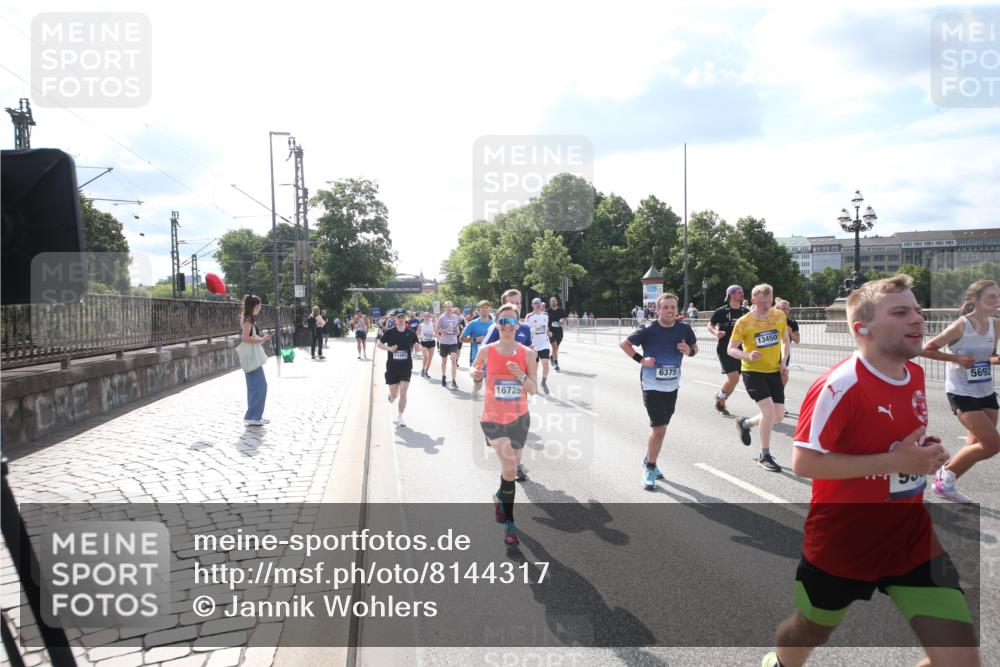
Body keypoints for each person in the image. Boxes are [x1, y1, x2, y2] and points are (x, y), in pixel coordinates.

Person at [761, 274, 978, 667]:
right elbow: (804, 462)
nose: (918, 318)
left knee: (960, 658)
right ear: (864, 329)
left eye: (917, 309)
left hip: (910, 537)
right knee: (809, 631)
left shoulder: (913, 373)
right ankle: (778, 661)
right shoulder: (838, 385)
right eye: (901, 312)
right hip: (843, 541)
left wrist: (923, 453)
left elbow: (896, 441)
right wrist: (895, 462)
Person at [922, 279, 1000, 504]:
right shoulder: (961, 325)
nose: (997, 301)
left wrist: (995, 359)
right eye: (992, 297)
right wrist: (956, 358)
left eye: (998, 296)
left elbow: (989, 355)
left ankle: (947, 483)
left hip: (985, 390)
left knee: (975, 443)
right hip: (961, 391)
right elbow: (927, 349)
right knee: (992, 444)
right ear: (975, 300)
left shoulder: (995, 325)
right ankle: (945, 475)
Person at [471, 303, 538, 546]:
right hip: (492, 418)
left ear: (518, 325)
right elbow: (475, 377)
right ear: (497, 325)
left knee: (512, 468)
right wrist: (475, 376)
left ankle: (500, 495)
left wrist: (520, 375)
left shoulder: (528, 354)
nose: (507, 326)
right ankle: (510, 524)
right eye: (502, 322)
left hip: (519, 418)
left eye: (511, 322)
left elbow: (534, 389)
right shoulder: (487, 350)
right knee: (510, 467)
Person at [619, 292, 698, 489]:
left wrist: (689, 351)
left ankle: (649, 459)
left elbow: (695, 348)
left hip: (672, 385)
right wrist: (641, 360)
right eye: (665, 307)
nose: (670, 310)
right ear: (658, 309)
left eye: (673, 307)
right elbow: (624, 344)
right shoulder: (648, 329)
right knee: (659, 428)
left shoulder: (684, 329)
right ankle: (650, 467)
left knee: (663, 426)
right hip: (651, 384)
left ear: (677, 309)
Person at [729, 283, 790, 472]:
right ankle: (765, 455)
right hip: (752, 372)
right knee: (768, 411)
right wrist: (747, 355)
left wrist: (783, 362)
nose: (766, 305)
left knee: (778, 416)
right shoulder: (744, 322)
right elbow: (730, 349)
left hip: (773, 371)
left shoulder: (779, 316)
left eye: (769, 301)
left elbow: (785, 340)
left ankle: (745, 423)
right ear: (753, 300)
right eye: (763, 302)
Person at [708, 285, 750, 416]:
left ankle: (720, 399)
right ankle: (720, 398)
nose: (742, 294)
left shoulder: (745, 311)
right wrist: (716, 332)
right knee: (734, 378)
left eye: (742, 292)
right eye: (739, 292)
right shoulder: (722, 311)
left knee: (735, 380)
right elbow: (710, 324)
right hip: (725, 349)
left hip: (740, 349)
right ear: (731, 295)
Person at [376, 309, 419, 427]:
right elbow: (379, 344)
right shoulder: (390, 332)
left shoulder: (411, 333)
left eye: (402, 317)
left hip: (406, 366)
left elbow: (417, 344)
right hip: (392, 367)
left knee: (403, 392)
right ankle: (391, 397)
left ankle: (400, 417)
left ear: (405, 318)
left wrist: (418, 346)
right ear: (395, 319)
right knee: (394, 394)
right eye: (398, 317)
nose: (400, 319)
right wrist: (389, 349)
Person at [240, 294, 273, 427]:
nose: (260, 309)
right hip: (252, 357)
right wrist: (262, 339)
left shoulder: (246, 318)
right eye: (259, 306)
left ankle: (254, 416)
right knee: (261, 386)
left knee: (253, 387)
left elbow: (246, 335)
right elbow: (245, 338)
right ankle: (253, 416)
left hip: (249, 357)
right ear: (256, 306)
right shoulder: (249, 320)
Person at [461, 300, 494, 398]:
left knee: (490, 385)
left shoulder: (494, 325)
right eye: (482, 308)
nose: (484, 310)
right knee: (478, 385)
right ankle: (475, 392)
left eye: (486, 308)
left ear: (489, 310)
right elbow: (461, 339)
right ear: (478, 310)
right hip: (477, 358)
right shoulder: (473, 324)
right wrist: (475, 339)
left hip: (491, 359)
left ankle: (489, 409)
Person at [526, 298, 552, 394]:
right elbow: (526, 330)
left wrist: (548, 332)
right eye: (536, 304)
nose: (538, 305)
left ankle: (544, 383)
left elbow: (546, 327)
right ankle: (534, 383)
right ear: (532, 305)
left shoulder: (545, 315)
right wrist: (534, 329)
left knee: (546, 364)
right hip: (534, 345)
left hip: (544, 343)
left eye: (539, 304)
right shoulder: (529, 316)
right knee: (535, 366)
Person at [436, 302, 462, 388]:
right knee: (444, 361)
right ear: (445, 308)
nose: (449, 308)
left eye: (450, 307)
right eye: (447, 307)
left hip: (453, 342)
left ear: (452, 307)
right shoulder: (441, 318)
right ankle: (443, 376)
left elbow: (457, 329)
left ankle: (453, 380)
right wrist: (446, 330)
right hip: (444, 342)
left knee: (454, 360)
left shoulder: (456, 317)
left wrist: (457, 331)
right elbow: (437, 330)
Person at [775, 298, 800, 386]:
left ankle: (779, 395)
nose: (786, 311)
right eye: (783, 308)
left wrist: (790, 332)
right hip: (771, 353)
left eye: (787, 309)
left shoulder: (792, 323)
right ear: (777, 309)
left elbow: (797, 340)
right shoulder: (771, 322)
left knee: (783, 376)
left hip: (784, 354)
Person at [547, 296, 567, 372]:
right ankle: (556, 364)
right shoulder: (547, 311)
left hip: (559, 332)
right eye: (552, 301)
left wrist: (562, 320)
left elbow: (564, 318)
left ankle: (552, 357)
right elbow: (544, 321)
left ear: (557, 302)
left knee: (556, 348)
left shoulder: (561, 310)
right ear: (550, 302)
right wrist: (547, 331)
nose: (553, 302)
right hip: (551, 333)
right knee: (554, 348)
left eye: (554, 301)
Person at [417, 312, 437, 378]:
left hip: (431, 342)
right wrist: (419, 338)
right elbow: (417, 333)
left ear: (429, 317)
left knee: (430, 358)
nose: (426, 317)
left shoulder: (432, 324)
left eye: (428, 316)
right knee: (426, 357)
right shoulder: (421, 325)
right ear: (423, 317)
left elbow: (435, 332)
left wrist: (434, 334)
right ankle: (423, 369)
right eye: (425, 316)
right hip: (424, 342)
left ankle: (426, 371)